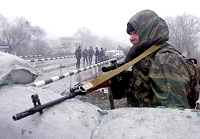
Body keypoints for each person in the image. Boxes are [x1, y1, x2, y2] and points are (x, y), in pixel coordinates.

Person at [116, 9, 197, 108]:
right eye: (131, 33)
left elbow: (173, 114)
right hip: (142, 121)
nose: (131, 38)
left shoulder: (166, 60)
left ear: (149, 32)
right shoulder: (145, 56)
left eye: (136, 33)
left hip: (154, 122)